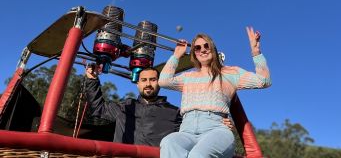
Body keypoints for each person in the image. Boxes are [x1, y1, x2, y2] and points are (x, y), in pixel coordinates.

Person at [158, 27, 272, 158]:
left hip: (216, 129)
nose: (203, 49)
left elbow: (264, 81)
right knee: (168, 143)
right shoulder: (187, 77)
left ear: (213, 48)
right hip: (187, 130)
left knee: (198, 155)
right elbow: (164, 81)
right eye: (197, 48)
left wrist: (256, 52)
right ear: (194, 53)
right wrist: (176, 55)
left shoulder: (230, 73)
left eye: (206, 45)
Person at [82, 65, 235, 147]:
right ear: (138, 84)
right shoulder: (125, 106)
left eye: (153, 79)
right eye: (144, 80)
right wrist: (91, 80)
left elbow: (196, 131)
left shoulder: (175, 113)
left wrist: (218, 124)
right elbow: (98, 108)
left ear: (160, 83)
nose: (148, 84)